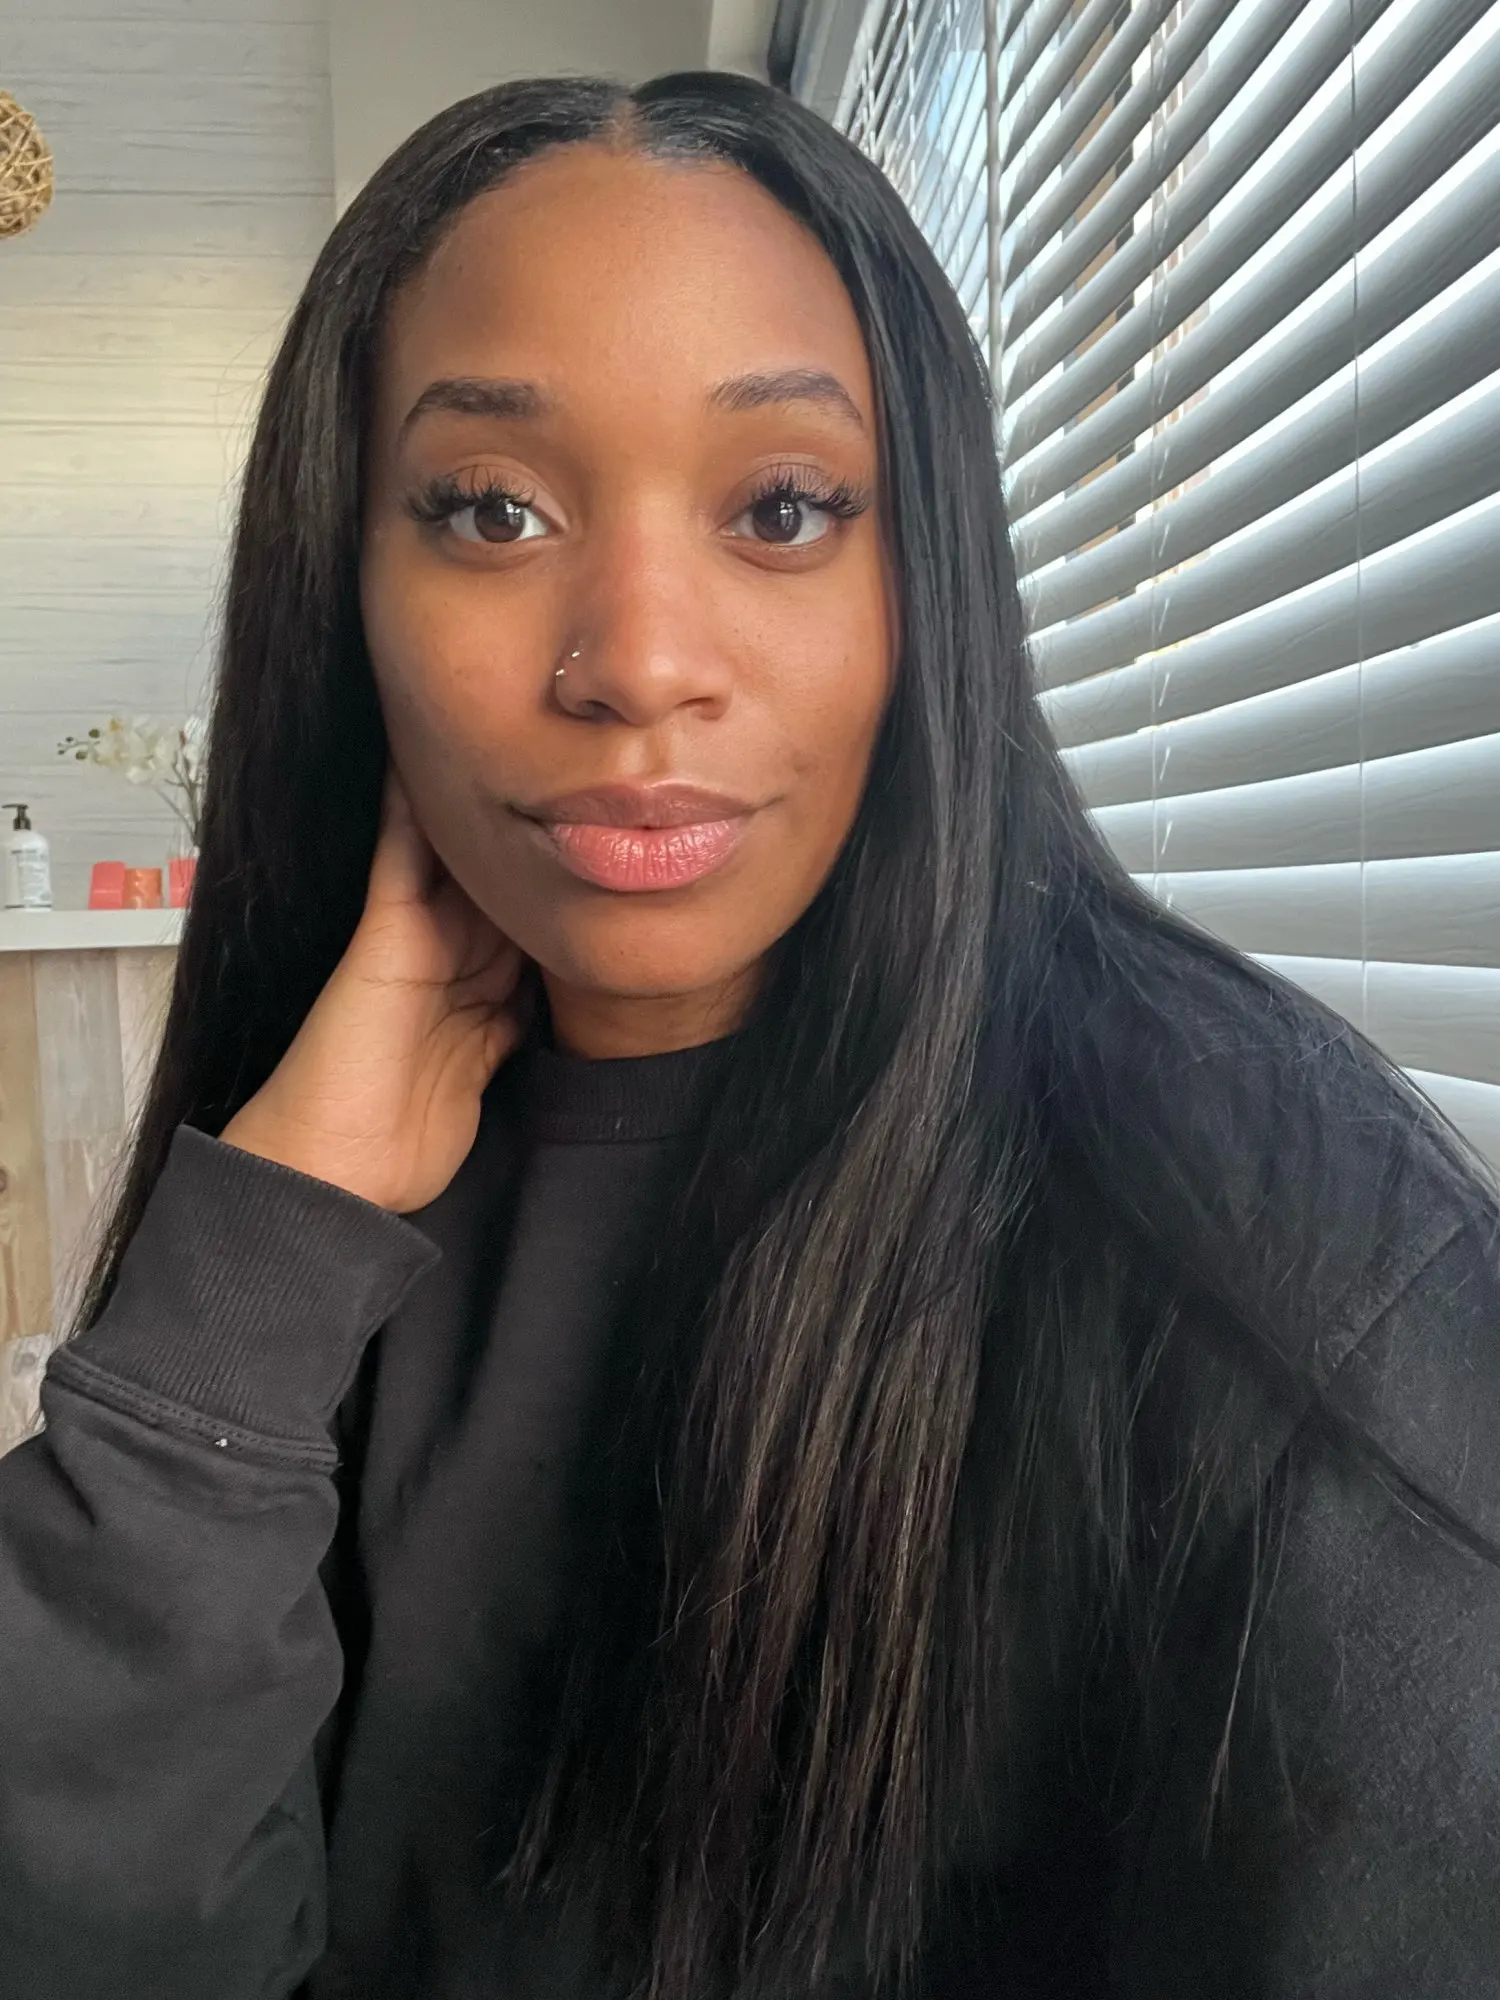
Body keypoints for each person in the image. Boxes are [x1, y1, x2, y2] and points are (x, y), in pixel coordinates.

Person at [0, 69, 1496, 2000]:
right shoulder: (311, 1187)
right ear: (345, 585)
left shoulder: (1275, 1242)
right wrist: (253, 1277)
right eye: (492, 509)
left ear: (925, 577)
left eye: (783, 509)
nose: (636, 661)